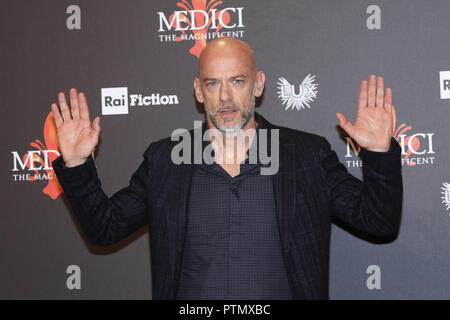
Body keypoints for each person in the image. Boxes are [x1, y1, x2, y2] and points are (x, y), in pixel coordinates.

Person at [51, 37, 402, 299]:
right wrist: (78, 163)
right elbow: (105, 228)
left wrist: (379, 152)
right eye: (212, 83)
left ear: (259, 83)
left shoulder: (306, 155)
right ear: (198, 91)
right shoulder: (164, 160)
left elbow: (378, 222)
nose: (225, 98)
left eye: (237, 81)